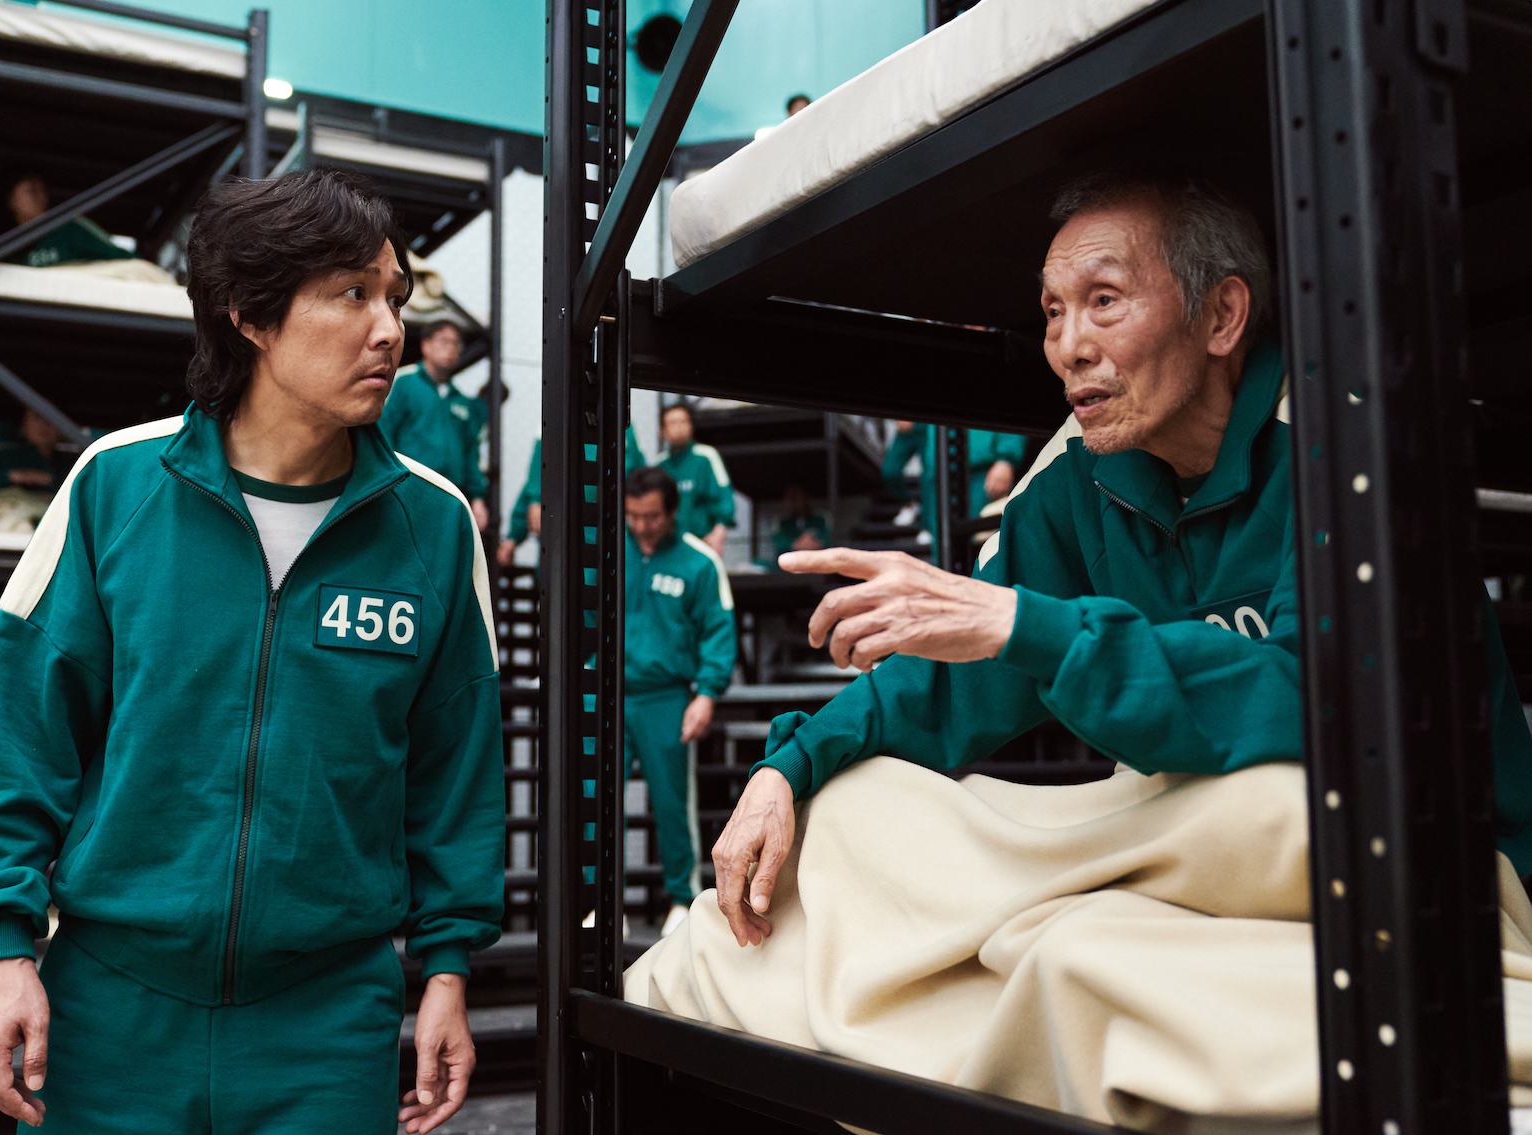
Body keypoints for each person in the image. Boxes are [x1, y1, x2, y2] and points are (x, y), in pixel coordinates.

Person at [628, 171, 1532, 1122]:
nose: (1067, 346)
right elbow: (949, 686)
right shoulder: (1081, 476)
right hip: (1190, 860)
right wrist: (790, 766)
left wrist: (1024, 624)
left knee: (1238, 826)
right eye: (1054, 311)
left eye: (1104, 300)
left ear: (1222, 316)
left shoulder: (1346, 443)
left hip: (1416, 856)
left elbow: (1318, 702)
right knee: (852, 807)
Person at [0, 169, 505, 1135]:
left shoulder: (436, 526)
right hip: (111, 1010)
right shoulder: (116, 486)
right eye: (353, 294)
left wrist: (446, 971)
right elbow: (20, 731)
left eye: (396, 297)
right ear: (249, 314)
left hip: (327, 1024)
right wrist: (6, 950)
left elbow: (457, 773)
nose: (390, 330)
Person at [624, 466, 736, 937]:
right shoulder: (607, 550)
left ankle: (680, 900)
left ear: (672, 512)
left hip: (667, 696)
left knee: (673, 803)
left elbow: (718, 631)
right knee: (592, 803)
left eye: (651, 516)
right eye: (632, 515)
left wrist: (706, 694)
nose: (641, 525)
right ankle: (596, 901)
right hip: (606, 694)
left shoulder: (699, 563)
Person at [378, 321, 491, 530]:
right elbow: (384, 433)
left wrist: (477, 498)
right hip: (408, 490)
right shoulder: (404, 384)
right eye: (444, 341)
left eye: (456, 344)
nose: (450, 348)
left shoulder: (461, 401)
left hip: (451, 496)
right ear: (426, 345)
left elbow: (471, 452)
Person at [497, 426, 650, 567]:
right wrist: (513, 537)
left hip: (613, 540)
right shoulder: (558, 422)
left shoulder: (621, 424)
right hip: (563, 544)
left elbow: (640, 483)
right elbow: (535, 485)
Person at [882, 423, 1027, 535]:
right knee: (943, 544)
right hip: (941, 473)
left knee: (984, 540)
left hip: (981, 471)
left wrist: (1006, 459)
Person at [0, 167, 138, 268]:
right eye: (31, 190)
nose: (40, 197)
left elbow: (128, 261)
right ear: (10, 200)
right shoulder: (0, 244)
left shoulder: (69, 228)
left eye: (42, 190)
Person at [0, 410, 75, 510]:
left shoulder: (72, 464)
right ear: (23, 425)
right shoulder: (3, 455)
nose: (44, 425)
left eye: (51, 418)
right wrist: (10, 477)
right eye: (37, 417)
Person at [656, 403, 735, 554]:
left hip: (702, 543)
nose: (679, 427)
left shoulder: (706, 456)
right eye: (673, 422)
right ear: (662, 431)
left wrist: (719, 532)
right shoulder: (659, 465)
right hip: (669, 547)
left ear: (691, 427)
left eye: (683, 421)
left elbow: (724, 495)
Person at [768, 484, 828, 558]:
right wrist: (794, 544)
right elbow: (778, 543)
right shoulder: (783, 522)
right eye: (789, 498)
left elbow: (826, 540)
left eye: (796, 497)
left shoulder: (819, 520)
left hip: (815, 560)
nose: (792, 502)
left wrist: (812, 542)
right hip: (790, 561)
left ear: (805, 497)